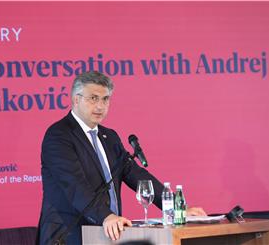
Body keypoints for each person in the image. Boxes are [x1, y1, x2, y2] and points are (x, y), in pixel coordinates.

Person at [38, 71, 206, 244]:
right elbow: (74, 185)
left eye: (105, 99)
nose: (100, 106)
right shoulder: (59, 135)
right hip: (68, 235)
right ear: (76, 99)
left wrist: (175, 210)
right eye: (93, 98)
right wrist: (105, 216)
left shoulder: (109, 137)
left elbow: (136, 174)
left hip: (106, 233)